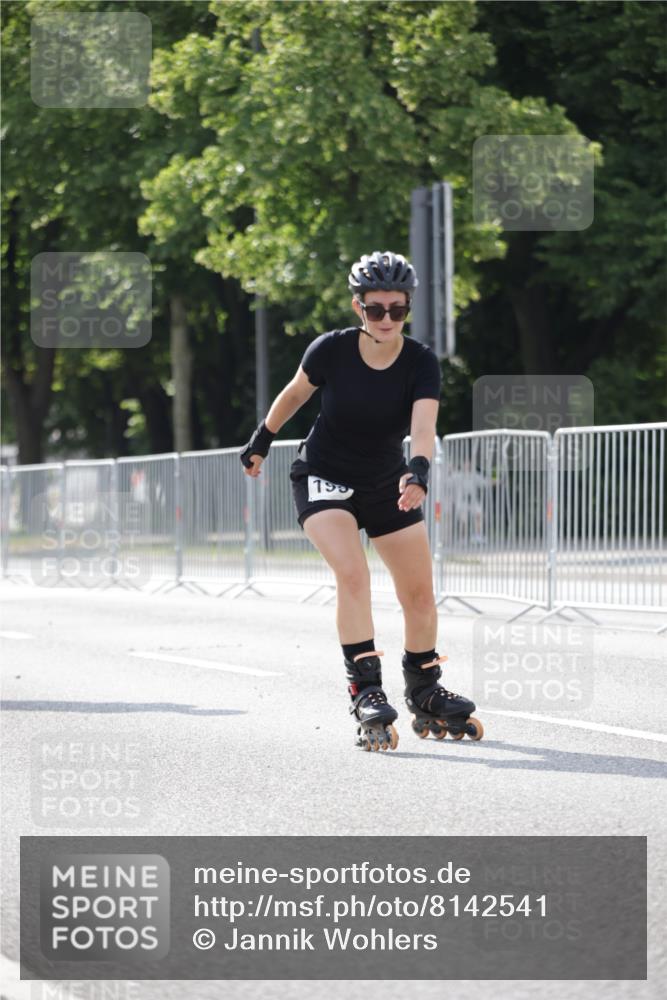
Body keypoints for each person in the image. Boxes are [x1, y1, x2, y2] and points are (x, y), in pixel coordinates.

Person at [240, 251, 483, 751]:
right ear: (358, 308)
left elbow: (423, 426)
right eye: (377, 309)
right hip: (323, 476)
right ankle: (367, 690)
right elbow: (293, 394)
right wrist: (262, 439)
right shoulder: (331, 350)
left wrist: (418, 472)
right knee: (353, 574)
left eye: (398, 309)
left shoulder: (420, 361)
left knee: (419, 592)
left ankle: (425, 689)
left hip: (385, 481)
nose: (388, 319)